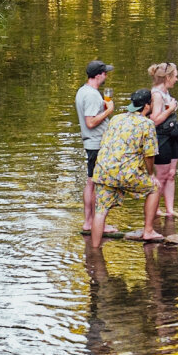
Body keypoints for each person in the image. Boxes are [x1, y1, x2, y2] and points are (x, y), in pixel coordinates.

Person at [91, 89, 161, 248]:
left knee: (100, 211)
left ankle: (94, 251)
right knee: (155, 188)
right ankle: (148, 231)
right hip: (125, 173)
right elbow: (149, 155)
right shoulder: (147, 124)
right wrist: (151, 174)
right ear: (147, 106)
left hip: (103, 171)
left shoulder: (116, 118)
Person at [75, 60, 116, 235]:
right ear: (98, 75)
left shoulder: (83, 91)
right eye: (105, 73)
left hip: (92, 143)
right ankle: (95, 224)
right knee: (97, 184)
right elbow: (90, 122)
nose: (106, 75)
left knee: (91, 182)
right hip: (96, 143)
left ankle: (89, 222)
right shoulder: (91, 95)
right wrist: (108, 110)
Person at [148, 62, 178, 218]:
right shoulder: (156, 95)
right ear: (168, 77)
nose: (177, 79)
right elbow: (154, 120)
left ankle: (170, 210)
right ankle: (155, 210)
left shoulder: (165, 92)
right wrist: (170, 109)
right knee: (162, 175)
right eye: (175, 76)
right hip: (161, 137)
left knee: (171, 174)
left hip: (173, 136)